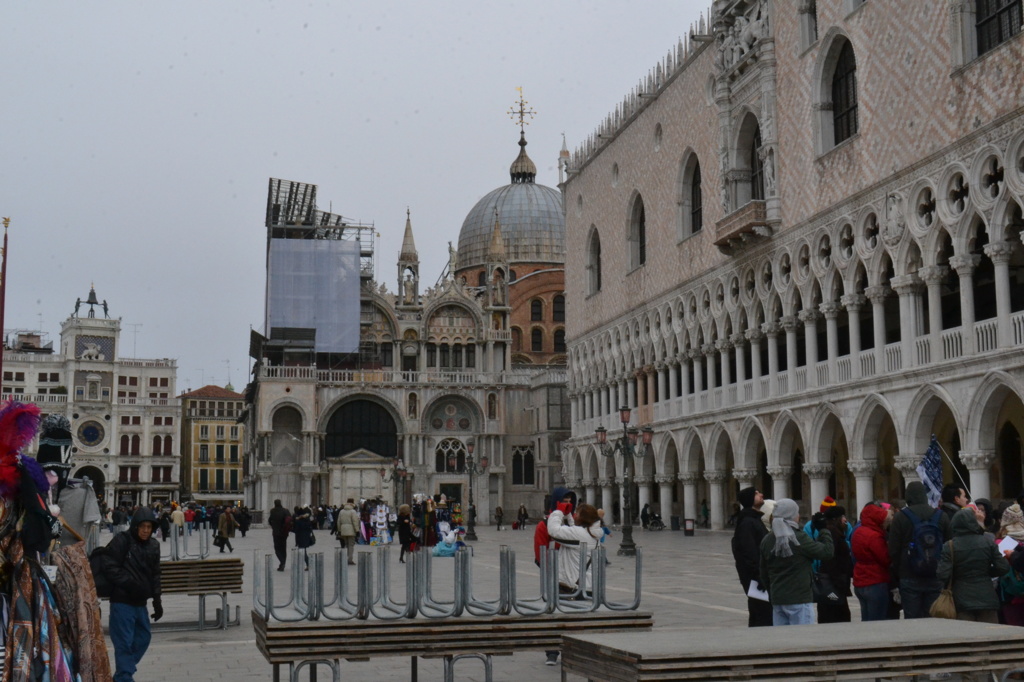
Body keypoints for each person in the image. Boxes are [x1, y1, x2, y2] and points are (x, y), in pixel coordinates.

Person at [103, 507, 162, 682]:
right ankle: (124, 677)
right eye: (142, 527)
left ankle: (123, 673)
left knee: (144, 637)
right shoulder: (122, 540)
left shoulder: (154, 545)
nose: (145, 530)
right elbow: (109, 565)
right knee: (124, 642)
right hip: (122, 600)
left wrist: (157, 600)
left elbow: (156, 574)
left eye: (149, 527)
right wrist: (129, 584)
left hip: (140, 602)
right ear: (135, 526)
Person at [758, 498, 833, 626]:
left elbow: (763, 572)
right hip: (799, 598)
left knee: (783, 636)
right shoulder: (798, 537)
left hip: (778, 598)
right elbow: (826, 552)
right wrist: (824, 530)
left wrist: (772, 591)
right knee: (803, 635)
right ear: (791, 515)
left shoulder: (767, 539)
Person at [887, 480, 952, 618]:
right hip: (935, 574)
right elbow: (949, 545)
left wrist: (899, 572)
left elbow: (893, 550)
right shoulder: (941, 516)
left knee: (913, 618)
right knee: (933, 615)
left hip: (909, 574)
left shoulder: (900, 517)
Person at [936, 507, 1010, 622]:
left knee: (966, 632)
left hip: (961, 598)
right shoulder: (988, 542)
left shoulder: (950, 546)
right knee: (989, 631)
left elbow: (942, 574)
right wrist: (986, 572)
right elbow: (1003, 567)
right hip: (987, 596)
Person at [534, 485, 577, 665]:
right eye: (564, 502)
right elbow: (540, 552)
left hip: (574, 576)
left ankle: (572, 649)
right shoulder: (544, 525)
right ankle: (552, 651)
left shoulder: (574, 523)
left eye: (570, 502)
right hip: (554, 574)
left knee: (573, 613)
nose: (567, 505)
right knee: (553, 612)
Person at [731, 486, 772, 627]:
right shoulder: (747, 522)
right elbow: (749, 552)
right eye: (756, 493)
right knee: (761, 612)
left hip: (760, 575)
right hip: (756, 578)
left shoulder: (754, 519)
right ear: (749, 499)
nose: (761, 494)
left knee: (761, 611)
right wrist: (759, 576)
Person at [547, 502, 603, 595]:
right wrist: (568, 515)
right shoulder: (592, 532)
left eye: (577, 514)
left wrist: (558, 511)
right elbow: (575, 530)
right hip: (588, 585)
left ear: (583, 518)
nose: (575, 516)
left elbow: (554, 531)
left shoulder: (580, 534)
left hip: (576, 588)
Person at [851, 501, 893, 621]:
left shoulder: (858, 531)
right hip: (875, 581)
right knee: (877, 621)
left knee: (866, 619)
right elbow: (885, 559)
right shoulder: (874, 536)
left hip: (860, 579)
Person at [817, 505, 853, 623]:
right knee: (838, 617)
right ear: (835, 519)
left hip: (835, 583)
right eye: (843, 517)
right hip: (833, 584)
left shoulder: (833, 532)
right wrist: (839, 583)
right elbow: (831, 560)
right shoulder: (833, 534)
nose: (845, 520)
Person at [268, 499, 291, 572]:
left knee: (277, 548)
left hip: (276, 533)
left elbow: (270, 520)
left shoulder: (273, 511)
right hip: (284, 533)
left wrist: (274, 526)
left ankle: (282, 562)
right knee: (283, 548)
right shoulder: (285, 511)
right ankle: (283, 562)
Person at [335, 499, 360, 565]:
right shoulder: (353, 511)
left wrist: (339, 530)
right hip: (351, 531)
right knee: (351, 545)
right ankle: (350, 559)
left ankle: (344, 558)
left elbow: (338, 522)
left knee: (345, 544)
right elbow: (355, 522)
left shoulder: (341, 511)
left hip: (343, 530)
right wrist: (357, 530)